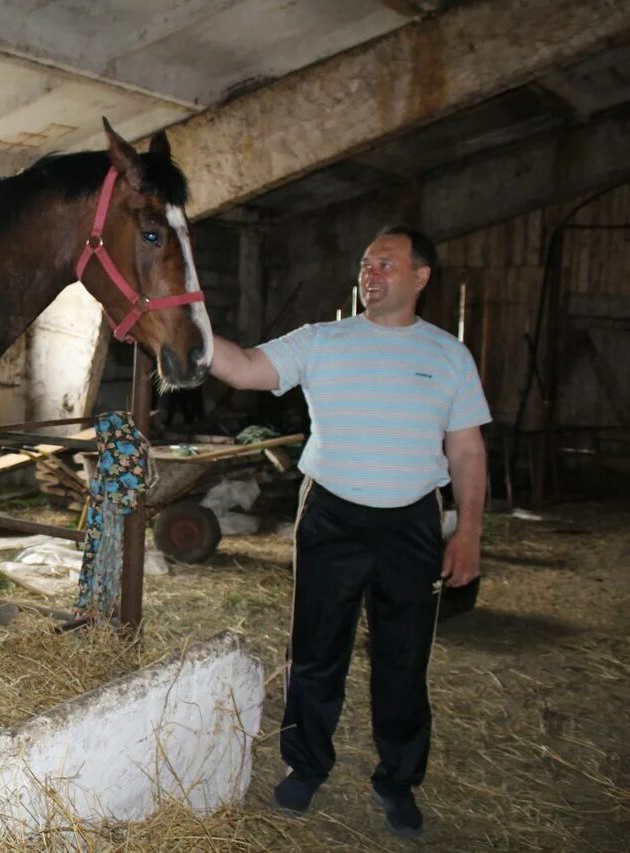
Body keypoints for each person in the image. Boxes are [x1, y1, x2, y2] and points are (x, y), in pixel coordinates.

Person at [207, 225, 490, 839]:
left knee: (404, 658)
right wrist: (185, 329)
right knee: (315, 652)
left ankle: (398, 782)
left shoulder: (449, 355)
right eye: (366, 264)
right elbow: (247, 368)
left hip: (412, 520)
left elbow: (467, 451)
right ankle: (306, 766)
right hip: (331, 514)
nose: (372, 275)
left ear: (420, 277)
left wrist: (468, 532)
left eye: (387, 264)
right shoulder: (322, 340)